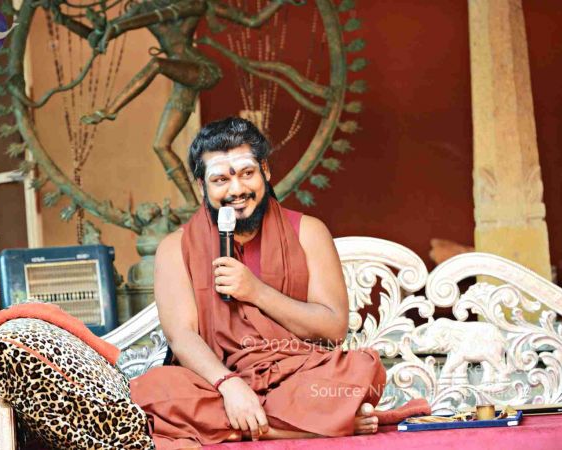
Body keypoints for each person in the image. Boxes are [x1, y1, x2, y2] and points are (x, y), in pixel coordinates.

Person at [130, 117, 386, 449]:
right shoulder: (175, 248)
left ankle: (247, 426)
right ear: (202, 186)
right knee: (149, 392)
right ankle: (315, 425)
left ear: (265, 170)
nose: (236, 190)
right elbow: (182, 336)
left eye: (246, 173)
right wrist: (229, 385)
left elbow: (333, 328)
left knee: (360, 368)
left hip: (296, 375)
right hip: (214, 382)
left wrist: (256, 291)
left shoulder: (308, 232)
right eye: (221, 179)